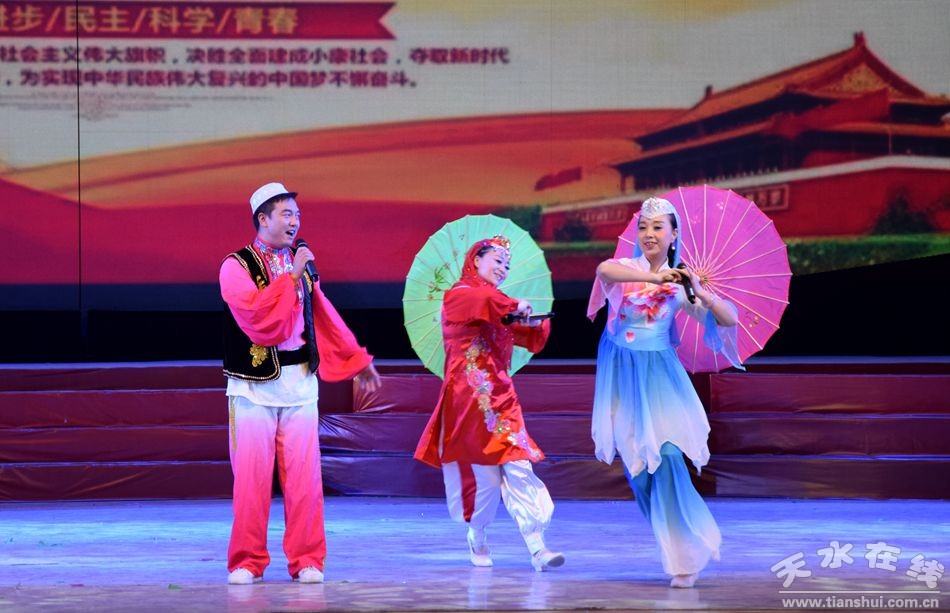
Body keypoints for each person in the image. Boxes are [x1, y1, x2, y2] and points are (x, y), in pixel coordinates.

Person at [220, 181, 381, 585]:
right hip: (253, 389)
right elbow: (260, 320)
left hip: (300, 385)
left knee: (305, 481)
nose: (294, 222)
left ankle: (308, 558)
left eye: (297, 215)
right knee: (252, 480)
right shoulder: (236, 266)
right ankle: (247, 561)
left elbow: (323, 315)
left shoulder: (302, 267)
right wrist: (292, 277)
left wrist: (357, 359)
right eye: (286, 214)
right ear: (263, 219)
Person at [587, 196, 742, 588]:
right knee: (639, 470)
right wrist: (656, 279)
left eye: (658, 227)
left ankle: (685, 556)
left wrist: (700, 292)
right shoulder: (627, 268)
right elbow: (603, 270)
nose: (649, 234)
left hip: (660, 376)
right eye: (643, 227)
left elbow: (728, 319)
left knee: (669, 456)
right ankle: (672, 544)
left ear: (674, 235)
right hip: (623, 375)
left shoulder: (682, 284)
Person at [414, 235, 565, 572]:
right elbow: (482, 301)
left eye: (507, 265)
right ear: (476, 260)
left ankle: (537, 547)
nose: (502, 269)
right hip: (470, 401)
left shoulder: (497, 304)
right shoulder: (459, 295)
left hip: (503, 397)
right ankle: (477, 533)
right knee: (488, 484)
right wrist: (512, 306)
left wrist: (531, 321)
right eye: (497, 261)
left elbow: (525, 334)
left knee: (519, 465)